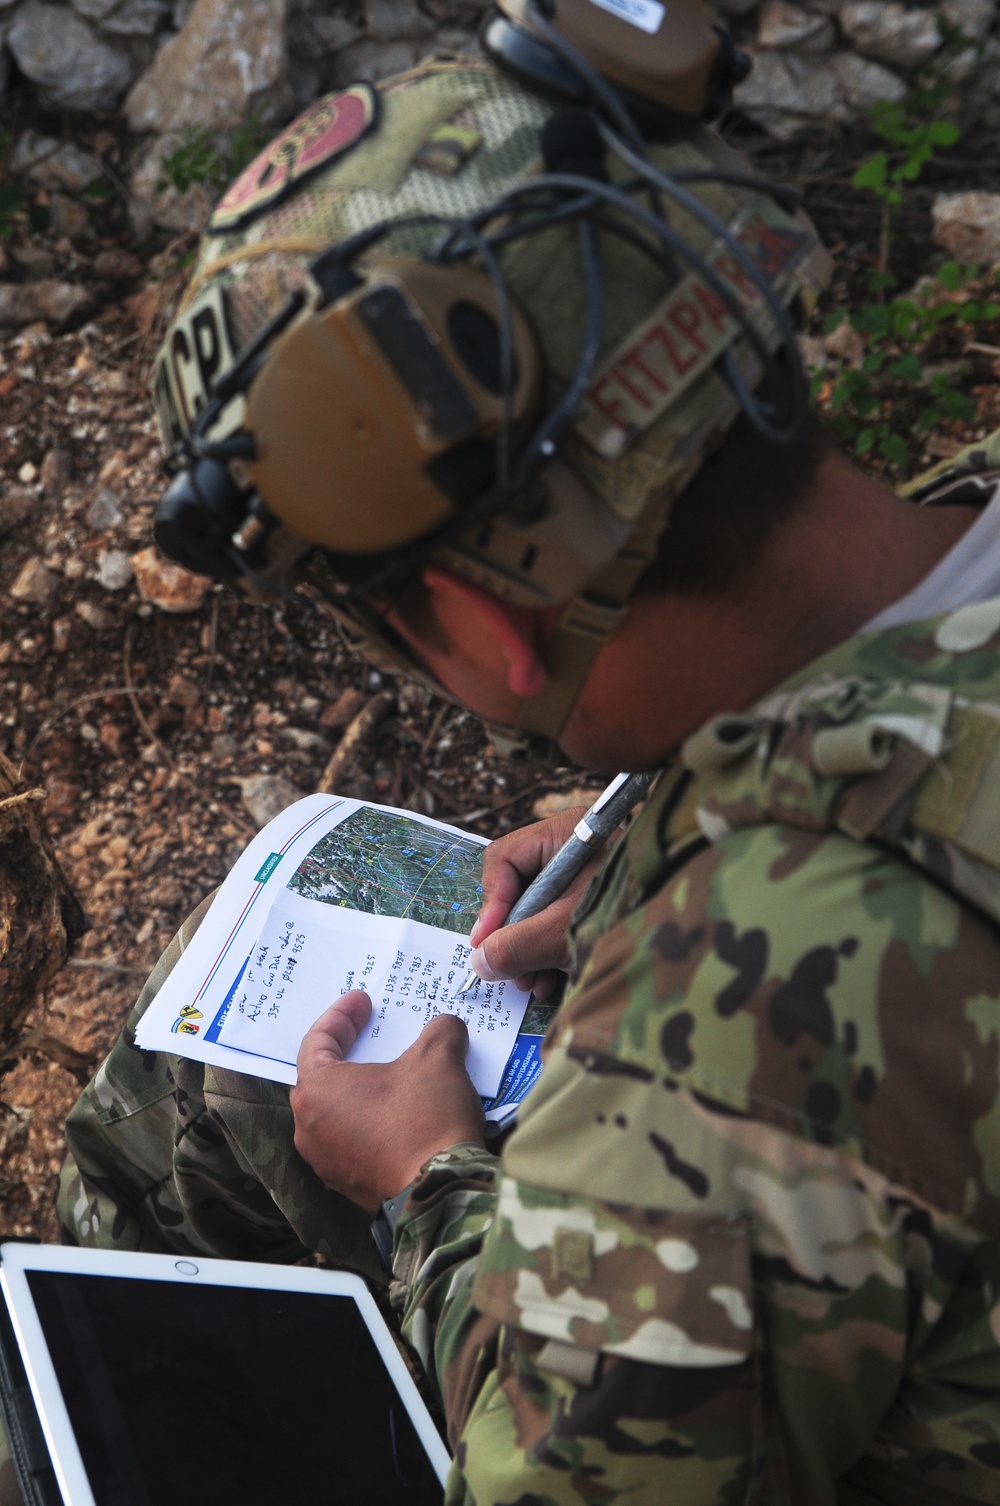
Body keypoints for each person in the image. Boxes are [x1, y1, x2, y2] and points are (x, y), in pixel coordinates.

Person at [54, 1, 1000, 1500]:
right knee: (193, 1103)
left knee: (164, 1154)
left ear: (483, 624)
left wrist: (431, 1181)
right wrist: (657, 823)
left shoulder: (739, 1021)